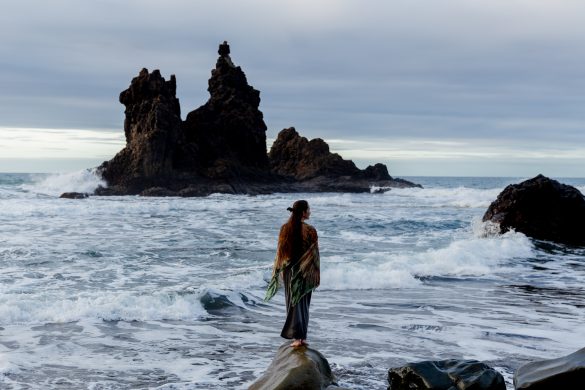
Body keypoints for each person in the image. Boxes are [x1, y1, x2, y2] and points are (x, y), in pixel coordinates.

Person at [264, 200, 320, 347]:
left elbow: (280, 252)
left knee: (293, 302)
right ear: (303, 212)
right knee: (303, 303)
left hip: (290, 269)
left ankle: (298, 337)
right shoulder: (310, 230)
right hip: (305, 270)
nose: (310, 212)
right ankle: (300, 337)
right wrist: (315, 274)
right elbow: (314, 255)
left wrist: (279, 270)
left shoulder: (284, 228)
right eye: (309, 209)